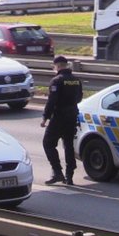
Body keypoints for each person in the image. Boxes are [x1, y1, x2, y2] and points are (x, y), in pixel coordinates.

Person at [41, 55, 84, 185]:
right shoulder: (76, 80)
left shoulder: (57, 80)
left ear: (57, 66)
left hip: (59, 117)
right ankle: (69, 176)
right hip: (72, 116)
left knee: (48, 143)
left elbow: (51, 101)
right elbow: (79, 98)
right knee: (68, 145)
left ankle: (57, 172)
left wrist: (45, 117)